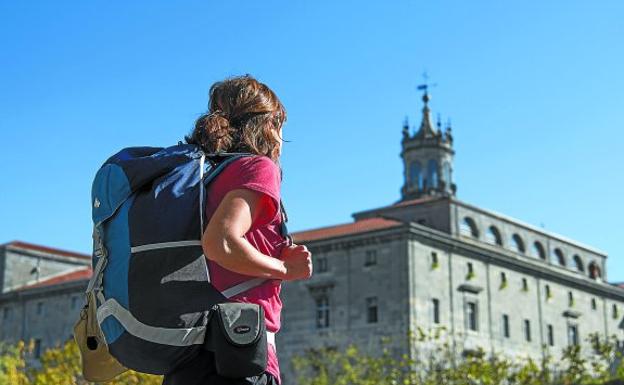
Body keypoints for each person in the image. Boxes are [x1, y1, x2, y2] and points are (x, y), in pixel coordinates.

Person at [161, 75, 313, 385]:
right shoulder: (257, 168)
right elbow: (221, 243)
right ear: (270, 125)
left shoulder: (203, 177)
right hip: (237, 354)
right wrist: (285, 267)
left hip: (188, 357)